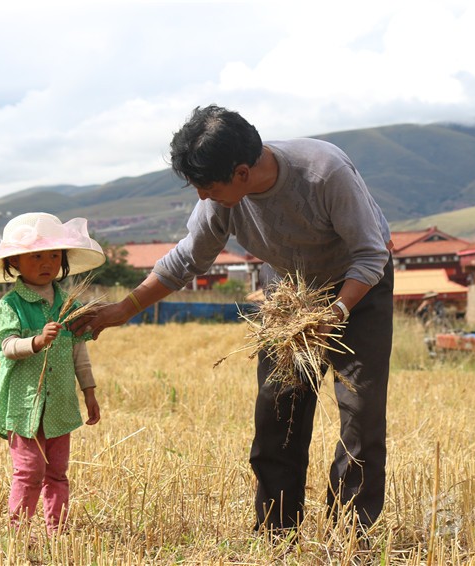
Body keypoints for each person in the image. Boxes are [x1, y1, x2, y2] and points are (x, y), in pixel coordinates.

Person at [69, 105, 394, 534]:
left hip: (357, 286)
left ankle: (352, 534)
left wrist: (335, 313)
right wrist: (122, 309)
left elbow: (371, 255)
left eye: (207, 187)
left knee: (360, 411)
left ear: (242, 172)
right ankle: (277, 530)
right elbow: (187, 258)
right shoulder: (221, 199)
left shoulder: (323, 173)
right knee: (278, 408)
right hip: (290, 290)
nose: (202, 197)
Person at [0, 212, 106, 536]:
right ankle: (19, 535)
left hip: (60, 404)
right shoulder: (10, 305)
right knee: (29, 472)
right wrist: (37, 342)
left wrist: (89, 392)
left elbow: (79, 352)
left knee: (57, 472)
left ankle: (57, 532)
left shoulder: (68, 304)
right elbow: (6, 347)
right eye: (36, 256)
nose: (47, 263)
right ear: (14, 261)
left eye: (54, 256)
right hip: (24, 405)